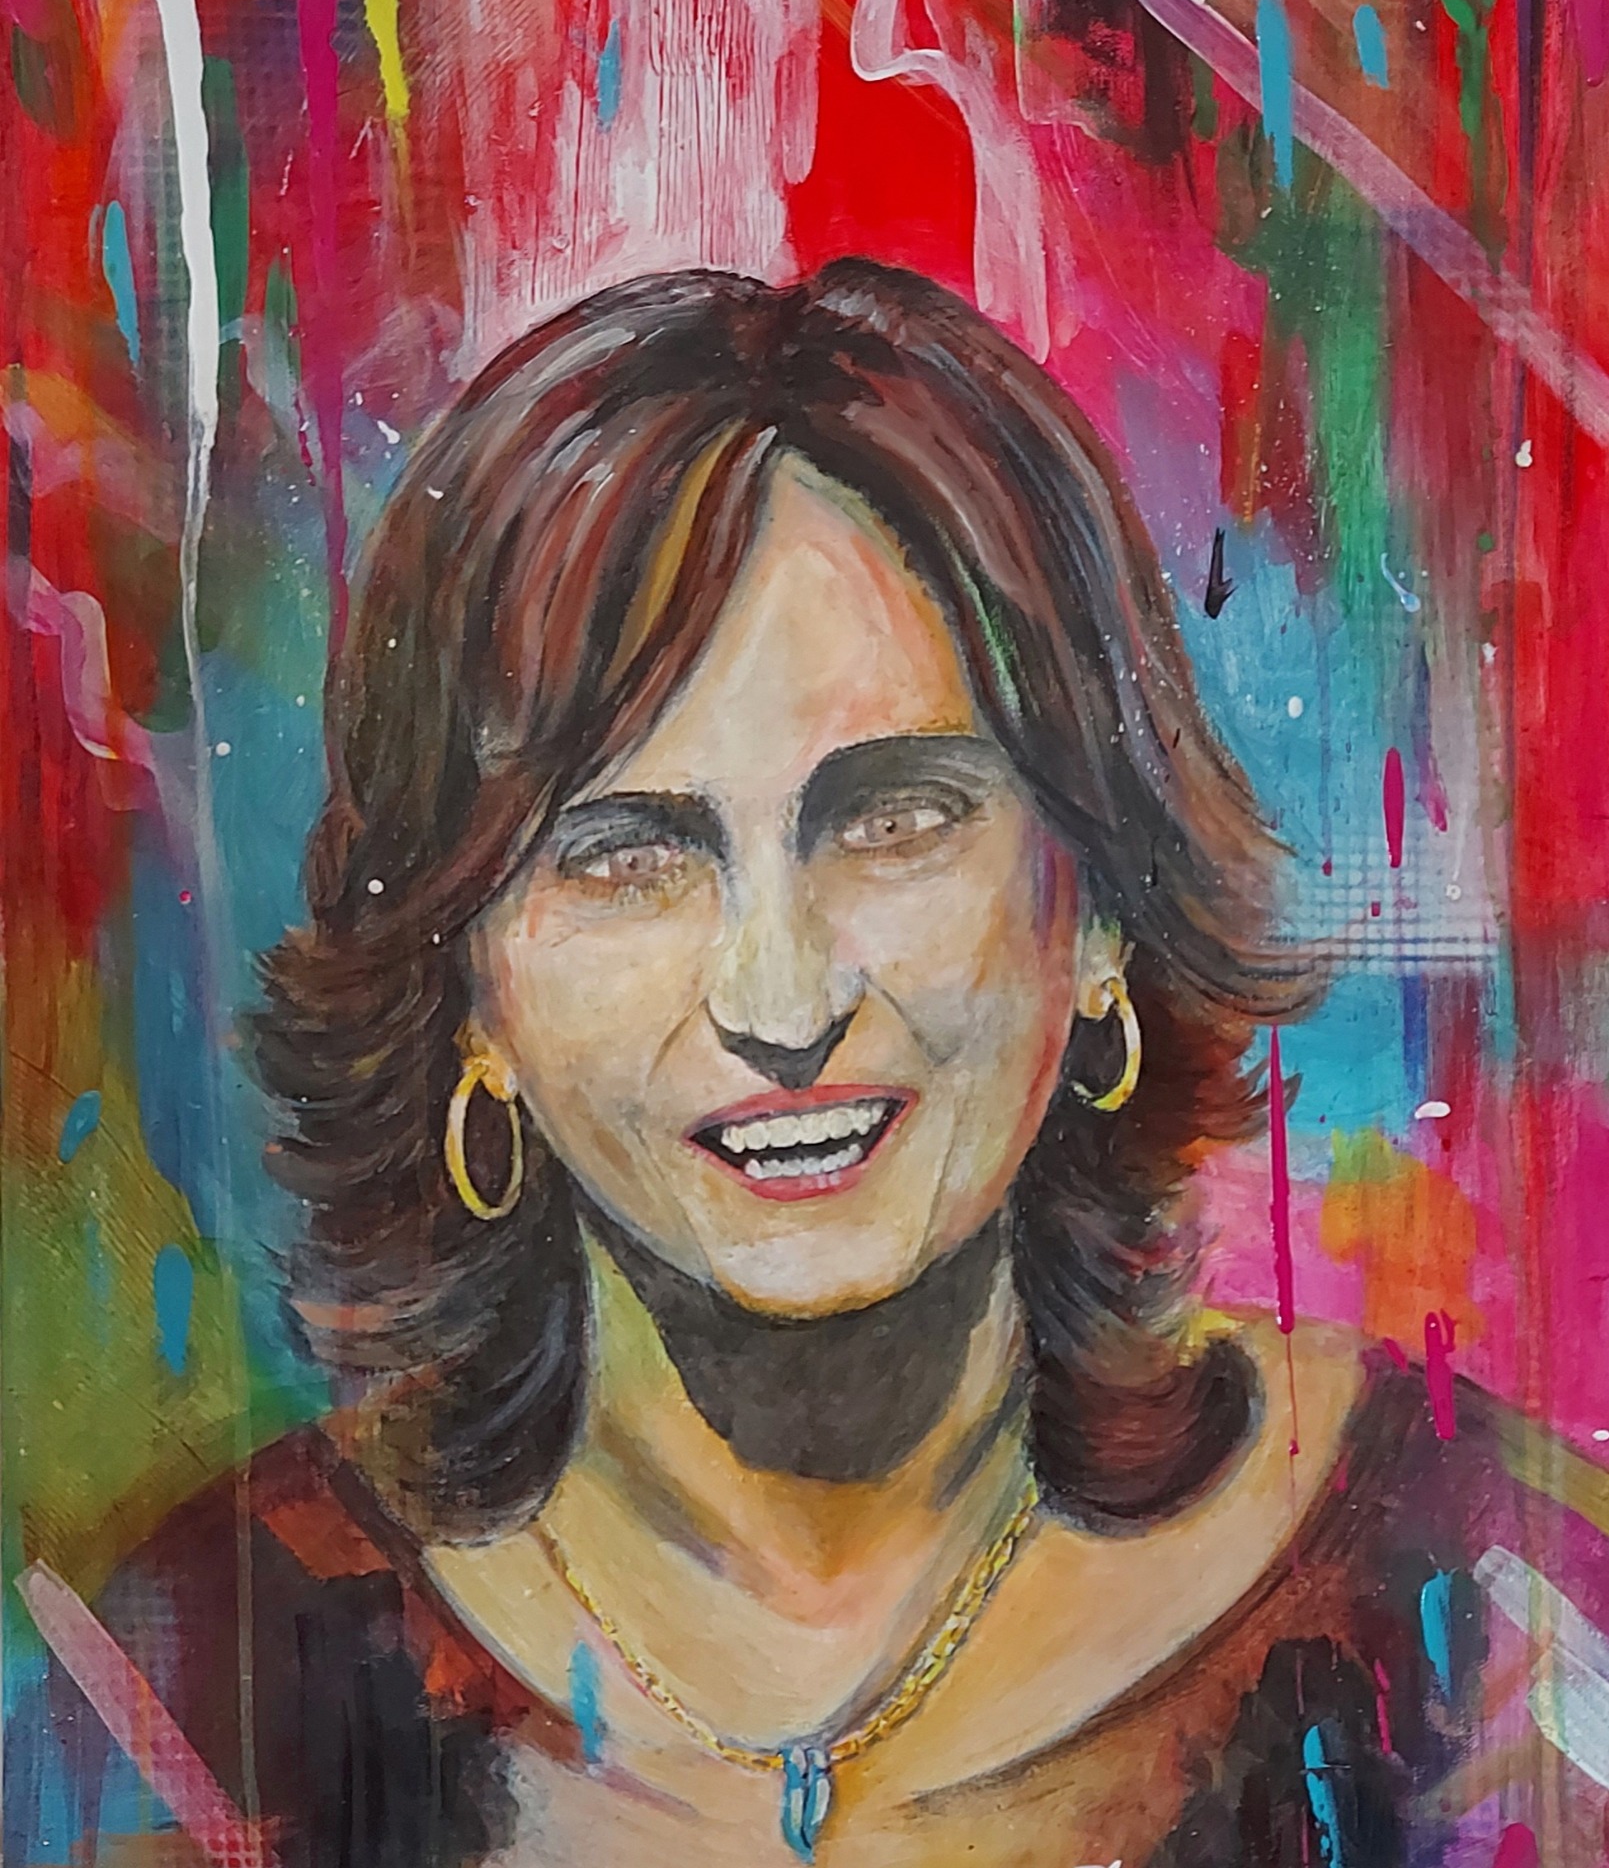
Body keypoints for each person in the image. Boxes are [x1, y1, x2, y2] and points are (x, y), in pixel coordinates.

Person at [60, 264, 1609, 1865]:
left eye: (894, 818)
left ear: (1097, 906)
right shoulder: (202, 1691)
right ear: (467, 992)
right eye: (627, 855)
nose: (780, 997)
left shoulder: (1483, 1618)